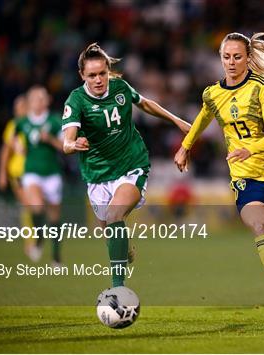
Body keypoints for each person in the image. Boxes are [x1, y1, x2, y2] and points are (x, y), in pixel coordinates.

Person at [174, 32, 264, 319]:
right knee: (261, 227)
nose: (231, 62)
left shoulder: (263, 89)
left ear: (248, 58)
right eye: (226, 57)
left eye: (237, 56)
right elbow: (203, 117)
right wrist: (185, 146)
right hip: (246, 175)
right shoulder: (212, 93)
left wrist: (250, 148)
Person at [62, 43, 191, 288]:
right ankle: (124, 249)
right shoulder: (76, 100)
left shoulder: (120, 87)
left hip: (131, 165)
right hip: (98, 174)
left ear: (108, 70)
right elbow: (67, 140)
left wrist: (176, 120)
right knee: (110, 231)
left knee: (114, 216)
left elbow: (144, 103)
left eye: (102, 73)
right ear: (82, 76)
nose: (99, 80)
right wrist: (72, 143)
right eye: (92, 75)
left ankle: (118, 289)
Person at [11, 85, 65, 265]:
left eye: (42, 98)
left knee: (54, 216)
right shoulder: (22, 122)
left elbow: (65, 147)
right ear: (29, 102)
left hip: (52, 173)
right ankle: (40, 239)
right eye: (35, 98)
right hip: (31, 171)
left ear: (47, 100)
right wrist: (17, 146)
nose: (39, 101)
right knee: (37, 207)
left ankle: (56, 257)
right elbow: (14, 138)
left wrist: (49, 139)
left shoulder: (55, 120)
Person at [0, 94, 35, 255]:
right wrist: (2, 174)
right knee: (29, 206)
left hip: (33, 171)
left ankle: (33, 241)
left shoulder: (32, 124)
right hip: (18, 172)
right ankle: (30, 243)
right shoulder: (13, 126)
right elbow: (6, 152)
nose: (19, 110)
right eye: (18, 108)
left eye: (22, 107)